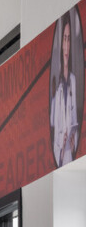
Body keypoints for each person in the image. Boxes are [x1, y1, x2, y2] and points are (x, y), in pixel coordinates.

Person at [52, 24, 78, 167]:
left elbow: (76, 125)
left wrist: (74, 142)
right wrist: (61, 148)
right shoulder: (57, 87)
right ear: (61, 43)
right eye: (64, 39)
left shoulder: (74, 81)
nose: (67, 46)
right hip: (61, 163)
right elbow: (54, 137)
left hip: (74, 160)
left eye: (69, 40)